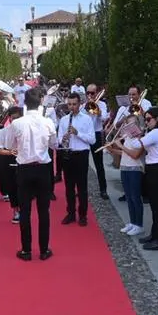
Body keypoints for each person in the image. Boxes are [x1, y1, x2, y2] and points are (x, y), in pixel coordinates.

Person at [8, 88, 57, 261]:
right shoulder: (48, 122)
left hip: (24, 168)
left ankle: (26, 250)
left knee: (25, 211)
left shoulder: (17, 123)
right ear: (41, 102)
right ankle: (44, 250)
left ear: (25, 103)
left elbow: (10, 144)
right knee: (44, 211)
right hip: (43, 168)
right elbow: (54, 144)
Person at [118, 107, 158, 251]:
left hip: (157, 169)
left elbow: (135, 144)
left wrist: (135, 134)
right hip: (154, 169)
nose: (147, 122)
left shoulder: (157, 133)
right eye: (145, 119)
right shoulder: (156, 132)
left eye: (149, 119)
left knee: (157, 207)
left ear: (157, 119)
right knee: (154, 205)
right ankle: (155, 234)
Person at [57, 92, 95, 226]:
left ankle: (83, 215)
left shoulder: (86, 119)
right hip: (67, 154)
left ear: (79, 104)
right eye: (69, 104)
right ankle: (71, 213)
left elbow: (92, 139)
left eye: (74, 104)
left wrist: (77, 133)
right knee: (69, 187)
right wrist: (63, 139)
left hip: (81, 155)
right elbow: (58, 140)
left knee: (81, 187)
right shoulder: (63, 120)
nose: (71, 107)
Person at [108, 114, 144, 236]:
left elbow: (135, 155)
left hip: (135, 169)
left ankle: (139, 224)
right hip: (125, 168)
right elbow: (124, 153)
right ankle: (132, 222)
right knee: (129, 197)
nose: (130, 127)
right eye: (128, 124)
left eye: (133, 124)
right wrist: (113, 150)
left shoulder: (140, 139)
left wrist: (121, 145)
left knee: (135, 197)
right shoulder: (127, 137)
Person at [0, 106, 23, 223]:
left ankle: (23, 209)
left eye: (18, 118)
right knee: (12, 187)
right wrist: (10, 152)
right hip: (8, 158)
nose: (15, 121)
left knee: (23, 186)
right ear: (9, 118)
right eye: (13, 118)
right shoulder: (3, 132)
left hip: (23, 159)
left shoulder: (26, 130)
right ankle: (15, 210)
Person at [82, 83, 110, 199]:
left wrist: (97, 109)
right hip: (85, 136)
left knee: (99, 164)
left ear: (97, 93)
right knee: (82, 165)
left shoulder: (102, 104)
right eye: (87, 93)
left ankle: (103, 190)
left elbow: (104, 118)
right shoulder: (83, 106)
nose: (89, 95)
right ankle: (82, 189)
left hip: (96, 134)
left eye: (92, 93)